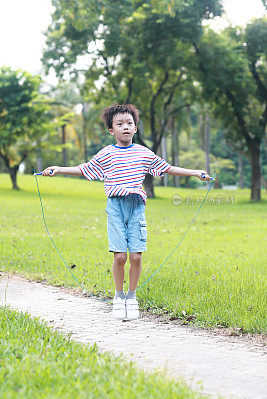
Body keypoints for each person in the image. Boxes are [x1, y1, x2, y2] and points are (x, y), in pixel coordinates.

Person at [43, 103, 212, 320]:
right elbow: (85, 169)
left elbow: (166, 168)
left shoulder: (143, 152)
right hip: (115, 206)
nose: (125, 127)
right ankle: (118, 296)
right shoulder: (107, 154)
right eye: (119, 124)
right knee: (120, 256)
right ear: (111, 130)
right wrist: (59, 169)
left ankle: (131, 297)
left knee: (136, 257)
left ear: (135, 128)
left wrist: (195, 172)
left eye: (129, 123)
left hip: (136, 206)